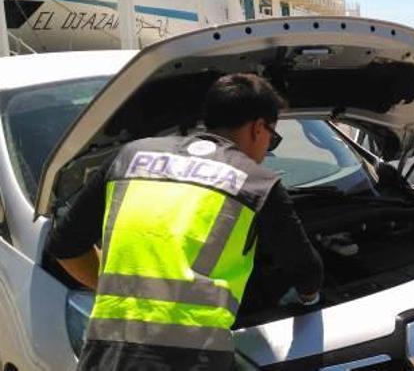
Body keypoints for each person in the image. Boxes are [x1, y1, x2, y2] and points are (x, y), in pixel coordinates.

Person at [47, 73, 324, 370]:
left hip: (106, 356)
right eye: (273, 137)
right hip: (193, 359)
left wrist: (117, 287)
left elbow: (64, 246)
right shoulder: (255, 183)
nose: (268, 149)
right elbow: (306, 270)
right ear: (258, 128)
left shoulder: (129, 157)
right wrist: (309, 297)